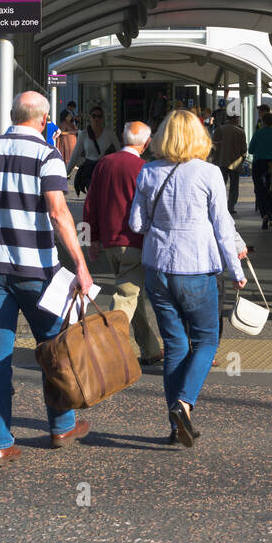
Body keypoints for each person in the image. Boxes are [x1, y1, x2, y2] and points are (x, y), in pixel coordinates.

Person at [0, 91, 93, 466]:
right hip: (37, 271)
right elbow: (60, 214)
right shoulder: (48, 156)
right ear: (44, 120)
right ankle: (62, 426)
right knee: (53, 346)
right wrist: (79, 264)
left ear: (14, 115)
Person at [129, 109, 247, 447]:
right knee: (207, 340)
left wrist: (162, 228)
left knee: (176, 344)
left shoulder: (149, 172)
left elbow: (136, 223)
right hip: (196, 266)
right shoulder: (209, 173)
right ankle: (184, 404)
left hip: (158, 268)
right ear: (200, 138)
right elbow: (223, 228)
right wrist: (235, 270)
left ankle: (174, 423)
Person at [83, 121, 162, 366]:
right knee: (126, 296)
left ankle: (150, 349)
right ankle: (107, 348)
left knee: (131, 294)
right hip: (136, 242)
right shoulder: (144, 168)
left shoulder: (104, 164)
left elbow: (90, 204)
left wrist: (90, 239)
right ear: (146, 143)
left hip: (110, 242)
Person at [67, 107, 118, 195]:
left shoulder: (109, 133)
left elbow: (119, 151)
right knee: (93, 195)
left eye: (99, 116)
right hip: (90, 170)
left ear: (103, 118)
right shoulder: (84, 134)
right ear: (90, 118)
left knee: (105, 196)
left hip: (105, 170)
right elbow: (75, 155)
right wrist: (66, 173)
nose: (96, 119)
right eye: (94, 116)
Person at [248, 112, 272, 228]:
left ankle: (264, 215)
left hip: (258, 163)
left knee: (259, 190)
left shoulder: (257, 134)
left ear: (262, 122)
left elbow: (251, 150)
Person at [210, 111, 247, 215]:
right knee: (234, 186)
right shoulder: (240, 131)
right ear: (235, 119)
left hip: (221, 162)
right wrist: (242, 159)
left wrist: (214, 159)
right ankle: (231, 206)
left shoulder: (219, 130)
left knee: (221, 185)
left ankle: (220, 206)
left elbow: (213, 146)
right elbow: (244, 149)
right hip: (235, 163)